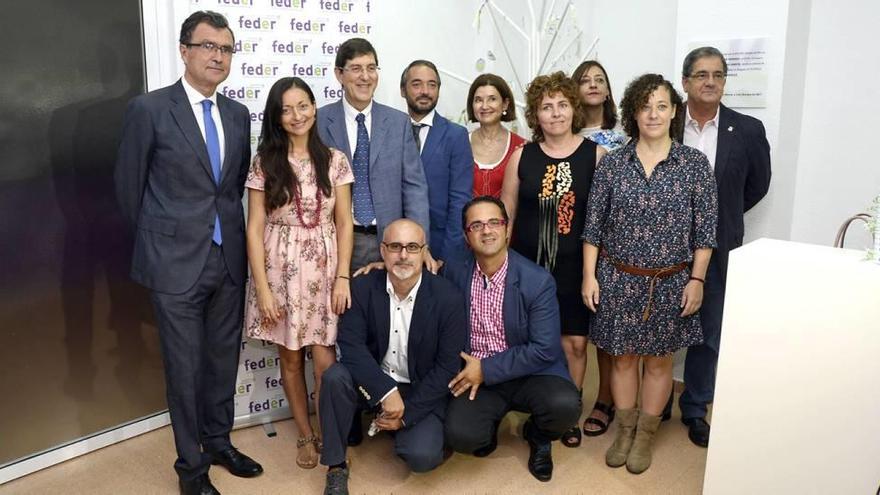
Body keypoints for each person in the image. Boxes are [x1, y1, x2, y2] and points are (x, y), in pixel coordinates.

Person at [114, 11, 262, 494]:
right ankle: (191, 469)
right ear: (184, 50)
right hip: (175, 266)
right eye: (208, 46)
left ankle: (218, 441)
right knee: (183, 369)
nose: (218, 56)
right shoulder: (150, 110)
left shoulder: (238, 115)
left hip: (228, 261)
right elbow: (128, 190)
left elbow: (231, 187)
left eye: (226, 49)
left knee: (223, 362)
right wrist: (164, 245)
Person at [581, 73, 718, 474]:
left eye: (661, 105)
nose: (653, 114)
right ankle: (625, 429)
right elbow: (593, 228)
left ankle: (645, 434)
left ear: (674, 111)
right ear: (633, 113)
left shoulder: (694, 165)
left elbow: (705, 232)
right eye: (645, 106)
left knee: (658, 363)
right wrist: (590, 277)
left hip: (672, 282)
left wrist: (697, 280)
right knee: (622, 360)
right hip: (618, 278)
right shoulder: (613, 163)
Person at [242, 77, 354, 470]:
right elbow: (254, 228)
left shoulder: (335, 159)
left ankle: (329, 431)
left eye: (303, 105)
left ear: (314, 108)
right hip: (279, 272)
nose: (296, 115)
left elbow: (344, 223)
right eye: (287, 109)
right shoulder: (264, 163)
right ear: (276, 115)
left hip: (324, 272)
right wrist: (264, 289)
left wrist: (343, 277)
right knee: (290, 361)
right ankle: (304, 434)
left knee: (325, 362)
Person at [318, 219, 467, 495]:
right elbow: (350, 347)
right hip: (376, 380)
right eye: (395, 246)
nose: (403, 255)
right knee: (334, 377)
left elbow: (447, 367)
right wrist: (385, 392)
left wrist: (407, 415)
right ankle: (336, 465)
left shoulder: (448, 298)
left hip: (419, 389)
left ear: (424, 252)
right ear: (382, 250)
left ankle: (399, 425)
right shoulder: (362, 287)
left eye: (412, 247)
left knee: (422, 456)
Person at [499, 71, 605, 448]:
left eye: (562, 105)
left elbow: (603, 219)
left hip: (577, 269)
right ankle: (539, 406)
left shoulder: (596, 155)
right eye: (547, 107)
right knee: (532, 341)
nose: (556, 113)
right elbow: (507, 213)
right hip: (527, 268)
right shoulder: (520, 157)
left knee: (575, 344)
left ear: (573, 109)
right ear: (536, 115)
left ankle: (568, 413)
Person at [443, 196, 582, 483]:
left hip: (531, 372)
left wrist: (487, 369)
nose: (487, 230)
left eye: (495, 222)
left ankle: (538, 435)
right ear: (467, 236)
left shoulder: (537, 280)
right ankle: (488, 426)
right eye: (476, 225)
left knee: (565, 406)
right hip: (475, 374)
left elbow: (545, 349)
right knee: (463, 437)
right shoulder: (454, 271)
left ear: (507, 229)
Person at [677, 46, 772, 448]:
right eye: (701, 75)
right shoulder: (663, 121)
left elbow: (758, 185)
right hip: (662, 245)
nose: (710, 82)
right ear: (685, 82)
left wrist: (718, 217)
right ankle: (653, 401)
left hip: (718, 247)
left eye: (718, 74)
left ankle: (696, 407)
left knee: (709, 331)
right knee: (653, 328)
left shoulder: (747, 130)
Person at [316, 38, 434, 275]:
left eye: (371, 68)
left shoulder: (398, 123)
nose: (365, 76)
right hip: (332, 243)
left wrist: (420, 244)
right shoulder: (318, 122)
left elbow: (414, 189)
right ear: (339, 74)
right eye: (356, 68)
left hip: (390, 244)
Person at [400, 60, 473, 260]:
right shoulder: (390, 131)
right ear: (402, 90)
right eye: (416, 84)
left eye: (432, 85)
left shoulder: (456, 135)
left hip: (440, 248)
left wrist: (448, 256)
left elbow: (460, 200)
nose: (425, 91)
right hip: (396, 247)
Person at [467, 73, 527, 198]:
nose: (484, 106)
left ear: (505, 104)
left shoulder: (523, 147)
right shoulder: (459, 143)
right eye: (478, 100)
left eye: (492, 99)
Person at [572, 60, 628, 151]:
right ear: (574, 90)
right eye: (585, 81)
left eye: (599, 80)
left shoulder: (626, 130)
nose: (593, 85)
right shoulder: (566, 134)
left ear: (607, 91)